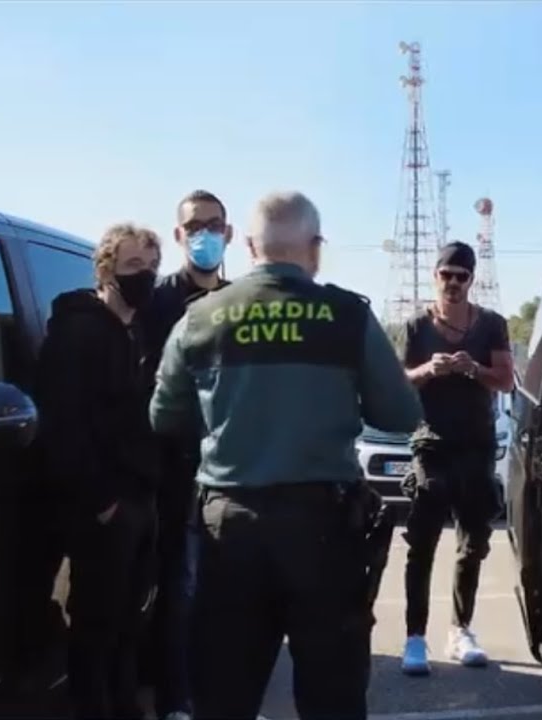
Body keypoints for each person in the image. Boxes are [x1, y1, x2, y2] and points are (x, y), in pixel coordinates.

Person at [149, 191, 422, 720]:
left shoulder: (200, 318)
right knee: (332, 695)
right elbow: (401, 413)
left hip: (229, 528)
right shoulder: (347, 316)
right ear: (315, 247)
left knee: (224, 694)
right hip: (323, 528)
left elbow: (163, 417)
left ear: (250, 246)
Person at [34, 223, 163, 719]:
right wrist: (103, 502)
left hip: (139, 497)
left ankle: (125, 707)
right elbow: (63, 426)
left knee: (129, 624)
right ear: (106, 270)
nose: (144, 276)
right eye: (133, 265)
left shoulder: (136, 331)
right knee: (95, 626)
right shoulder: (78, 333)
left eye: (151, 266)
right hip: (102, 508)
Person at [399, 241, 516, 676]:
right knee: (422, 542)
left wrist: (473, 369)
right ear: (435, 276)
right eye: (446, 275)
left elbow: (506, 380)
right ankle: (415, 637)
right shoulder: (416, 326)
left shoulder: (491, 325)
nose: (452, 283)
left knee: (473, 543)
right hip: (431, 443)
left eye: (461, 276)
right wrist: (428, 370)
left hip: (476, 445)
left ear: (471, 280)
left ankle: (460, 629)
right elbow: (400, 380)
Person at [140, 189, 232, 720]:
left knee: (228, 593)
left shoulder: (241, 301)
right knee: (182, 587)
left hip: (231, 473)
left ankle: (218, 694)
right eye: (194, 226)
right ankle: (177, 701)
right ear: (179, 235)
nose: (204, 235)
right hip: (176, 472)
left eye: (213, 225)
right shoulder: (158, 303)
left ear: (229, 232)